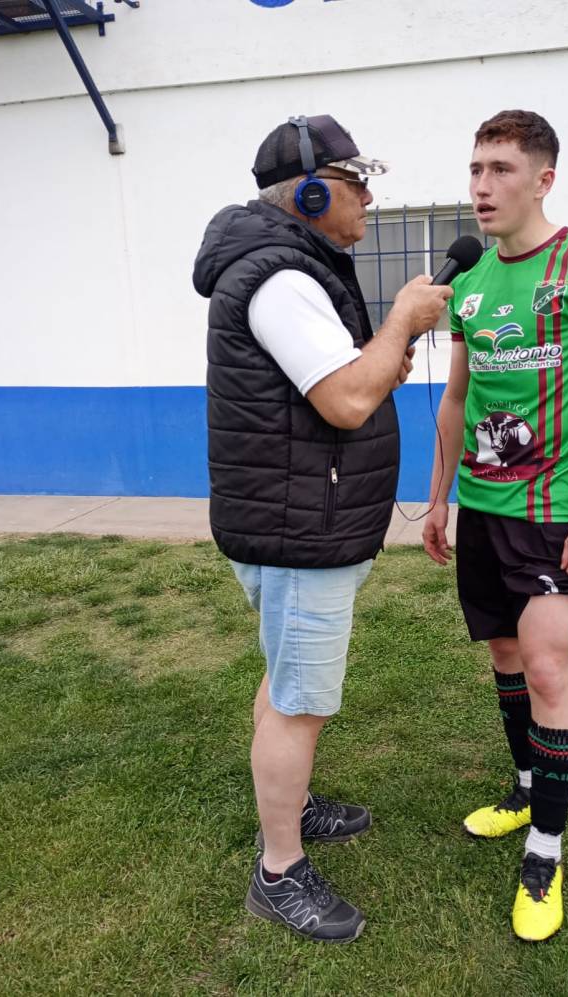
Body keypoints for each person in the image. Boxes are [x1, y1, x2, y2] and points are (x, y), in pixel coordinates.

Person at [193, 114, 451, 943]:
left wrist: (380, 350)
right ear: (308, 193)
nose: (369, 196)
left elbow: (340, 385)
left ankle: (294, 804)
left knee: (285, 684)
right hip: (299, 530)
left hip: (298, 520)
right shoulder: (281, 279)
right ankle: (279, 872)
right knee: (300, 702)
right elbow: (344, 399)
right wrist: (401, 322)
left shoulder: (289, 267)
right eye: (355, 180)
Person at [422, 110, 568, 941]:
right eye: (476, 168)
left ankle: (546, 849)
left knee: (550, 668)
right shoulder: (470, 283)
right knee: (507, 655)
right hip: (482, 508)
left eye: (502, 169)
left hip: (556, 515)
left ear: (542, 179)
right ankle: (523, 787)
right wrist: (439, 498)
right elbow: (455, 397)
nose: (481, 186)